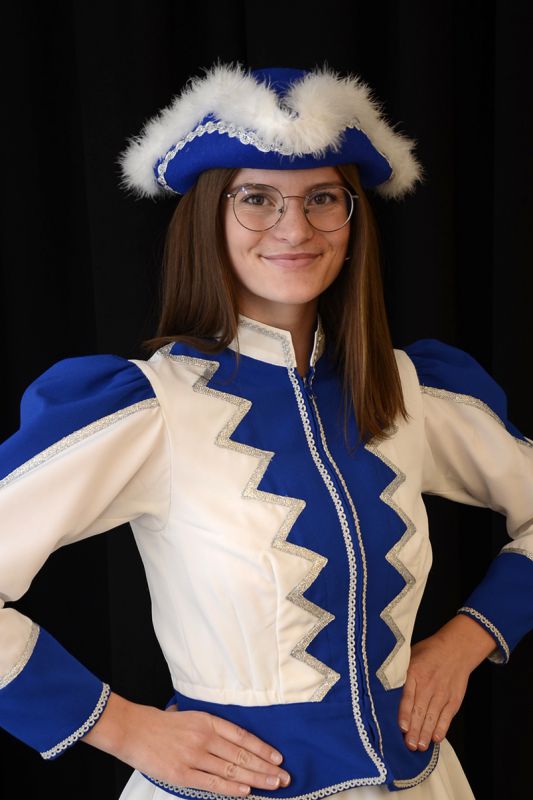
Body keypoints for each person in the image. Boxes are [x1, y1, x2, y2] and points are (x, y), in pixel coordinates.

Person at [0, 63, 532, 800]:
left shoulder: (410, 390)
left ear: (352, 219)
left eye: (322, 199)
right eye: (256, 199)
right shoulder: (150, 407)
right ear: (209, 218)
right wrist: (121, 727)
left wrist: (469, 636)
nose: (295, 227)